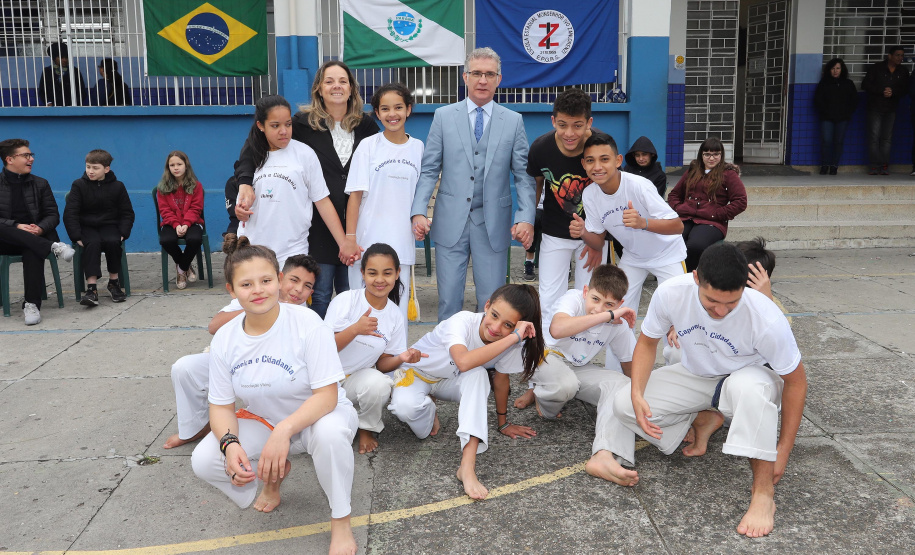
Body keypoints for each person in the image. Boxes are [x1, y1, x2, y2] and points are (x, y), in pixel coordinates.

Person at [613, 242, 807, 538]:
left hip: (749, 377)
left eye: (731, 303)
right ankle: (703, 417)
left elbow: (796, 382)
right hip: (699, 375)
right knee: (623, 404)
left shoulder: (766, 317)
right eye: (711, 301)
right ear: (695, 278)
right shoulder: (671, 293)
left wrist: (783, 449)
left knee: (749, 388)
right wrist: (637, 392)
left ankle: (763, 494)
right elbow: (647, 342)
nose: (720, 311)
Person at [191, 238, 358, 554]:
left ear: (279, 281)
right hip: (265, 419)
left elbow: (327, 396)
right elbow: (221, 406)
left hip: (320, 414)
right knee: (204, 459)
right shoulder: (226, 338)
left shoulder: (308, 324)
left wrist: (284, 431)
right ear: (231, 291)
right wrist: (230, 446)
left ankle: (341, 519)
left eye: (266, 280)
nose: (257, 290)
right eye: (246, 284)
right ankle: (267, 477)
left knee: (331, 436)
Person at [235, 62, 380, 318]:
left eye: (343, 81)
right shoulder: (300, 125)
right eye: (329, 81)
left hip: (358, 224)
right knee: (320, 294)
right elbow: (252, 149)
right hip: (319, 227)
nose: (336, 86)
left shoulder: (366, 127)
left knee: (351, 294)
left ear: (352, 88)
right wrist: (245, 182)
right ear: (319, 89)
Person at [411, 47, 537, 322]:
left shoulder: (513, 121)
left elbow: (523, 175)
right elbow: (430, 169)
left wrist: (526, 217)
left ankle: (488, 361)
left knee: (493, 303)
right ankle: (449, 359)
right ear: (465, 77)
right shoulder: (443, 117)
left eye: (489, 74)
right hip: (449, 222)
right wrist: (419, 210)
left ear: (499, 79)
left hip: (492, 223)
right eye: (477, 73)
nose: (483, 80)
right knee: (448, 301)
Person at [387, 284, 544, 500]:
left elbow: (501, 379)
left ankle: (467, 467)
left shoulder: (511, 343)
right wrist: (513, 337)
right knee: (406, 410)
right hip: (417, 374)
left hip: (451, 382)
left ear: (516, 326)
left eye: (507, 325)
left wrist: (503, 423)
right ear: (486, 305)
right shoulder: (462, 321)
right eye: (494, 315)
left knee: (479, 375)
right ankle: (428, 409)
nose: (496, 328)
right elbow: (462, 361)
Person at [164, 254, 319, 449]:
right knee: (184, 368)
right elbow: (214, 326)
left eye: (307, 285)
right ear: (279, 279)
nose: (298, 289)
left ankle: (281, 428)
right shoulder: (255, 293)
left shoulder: (306, 317)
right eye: (294, 280)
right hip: (237, 360)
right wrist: (255, 308)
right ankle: (195, 428)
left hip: (274, 368)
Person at [514, 265, 640, 486]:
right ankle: (543, 400)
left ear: (621, 304)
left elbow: (630, 363)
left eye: (609, 304)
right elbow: (557, 329)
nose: (598, 308)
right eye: (595, 299)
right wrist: (608, 315)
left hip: (578, 367)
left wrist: (637, 399)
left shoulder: (618, 323)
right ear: (584, 292)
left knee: (623, 386)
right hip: (547, 355)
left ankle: (604, 455)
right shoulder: (573, 299)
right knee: (564, 385)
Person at [572, 133, 686, 320]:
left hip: (668, 254)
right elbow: (598, 242)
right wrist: (583, 232)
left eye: (604, 159)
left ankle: (673, 348)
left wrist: (643, 223)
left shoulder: (639, 186)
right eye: (591, 161)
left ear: (618, 161)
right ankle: (623, 350)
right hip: (633, 256)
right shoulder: (590, 194)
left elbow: (677, 226)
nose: (598, 167)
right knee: (618, 313)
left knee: (674, 315)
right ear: (584, 164)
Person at [235, 95, 355, 270]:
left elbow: (322, 201)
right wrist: (241, 211)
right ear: (261, 126)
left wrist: (343, 243)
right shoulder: (251, 157)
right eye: (275, 126)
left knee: (292, 297)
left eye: (288, 124)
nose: (283, 131)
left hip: (293, 250)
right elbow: (242, 203)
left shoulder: (304, 154)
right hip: (254, 250)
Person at [524, 88, 606, 343]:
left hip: (590, 236)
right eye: (563, 125)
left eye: (577, 125)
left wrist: (597, 240)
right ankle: (550, 350)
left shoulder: (601, 146)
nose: (570, 133)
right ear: (553, 121)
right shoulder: (541, 148)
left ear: (589, 123)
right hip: (554, 231)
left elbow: (610, 194)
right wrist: (527, 221)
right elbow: (534, 186)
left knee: (589, 296)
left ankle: (581, 349)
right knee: (550, 296)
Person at [326, 243, 425, 454]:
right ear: (362, 273)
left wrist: (402, 357)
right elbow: (323, 349)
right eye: (372, 273)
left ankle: (366, 428)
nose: (380, 280)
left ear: (398, 273)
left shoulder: (394, 315)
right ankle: (339, 412)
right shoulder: (346, 301)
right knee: (326, 437)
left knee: (380, 383)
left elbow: (382, 365)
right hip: (324, 380)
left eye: (387, 273)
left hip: (354, 381)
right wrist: (354, 330)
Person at [344, 83, 423, 320]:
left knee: (395, 315)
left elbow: (422, 195)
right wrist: (350, 239)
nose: (392, 114)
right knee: (363, 314)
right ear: (377, 114)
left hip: (401, 243)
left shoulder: (418, 148)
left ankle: (394, 356)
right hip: (367, 242)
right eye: (385, 109)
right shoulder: (368, 146)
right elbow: (355, 197)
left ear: (408, 109)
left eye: (398, 107)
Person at [664, 236, 776, 367]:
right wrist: (680, 326)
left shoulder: (760, 300)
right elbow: (691, 308)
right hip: (711, 349)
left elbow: (779, 341)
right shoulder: (706, 285)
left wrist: (767, 300)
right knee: (676, 348)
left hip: (742, 361)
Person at [0, 138, 75, 325]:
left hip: (37, 237)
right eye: (26, 155)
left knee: (32, 249)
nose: (31, 159)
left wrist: (40, 228)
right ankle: (53, 247)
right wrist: (16, 225)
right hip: (6, 238)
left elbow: (52, 215)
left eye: (31, 155)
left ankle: (31, 305)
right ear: (10, 159)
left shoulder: (40, 183)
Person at [63, 149, 134, 306]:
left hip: (110, 226)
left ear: (106, 169)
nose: (90, 171)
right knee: (92, 244)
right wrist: (76, 236)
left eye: (95, 168)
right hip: (87, 228)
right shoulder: (79, 185)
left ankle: (113, 283)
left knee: (113, 242)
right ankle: (91, 289)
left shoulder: (118, 186)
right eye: (88, 167)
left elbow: (127, 212)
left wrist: (123, 232)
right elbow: (70, 213)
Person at [667, 137, 747, 272]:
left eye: (716, 154)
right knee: (672, 240)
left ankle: (683, 274)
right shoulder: (692, 171)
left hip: (711, 221)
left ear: (721, 155)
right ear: (701, 155)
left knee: (695, 245)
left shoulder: (728, 174)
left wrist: (718, 213)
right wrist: (680, 208)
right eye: (707, 154)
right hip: (686, 217)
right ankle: (668, 271)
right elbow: (674, 195)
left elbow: (740, 201)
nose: (711, 158)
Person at [157, 150, 204, 290]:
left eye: (179, 164)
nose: (176, 168)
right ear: (168, 168)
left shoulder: (196, 185)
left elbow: (196, 208)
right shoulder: (163, 187)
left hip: (193, 222)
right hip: (171, 223)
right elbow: (164, 210)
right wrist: (176, 224)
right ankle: (186, 265)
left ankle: (181, 269)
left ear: (186, 165)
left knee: (195, 239)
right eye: (172, 165)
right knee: (166, 240)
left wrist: (186, 223)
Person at [862, 45, 909, 175]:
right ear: (890, 56)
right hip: (875, 107)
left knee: (886, 138)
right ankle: (874, 165)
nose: (900, 58)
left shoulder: (903, 71)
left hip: (891, 108)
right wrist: (881, 91)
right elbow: (865, 84)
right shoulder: (877, 68)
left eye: (902, 55)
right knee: (874, 137)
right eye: (897, 55)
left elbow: (905, 89)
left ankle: (884, 165)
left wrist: (893, 92)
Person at [813, 58, 857, 175]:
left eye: (838, 68)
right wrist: (825, 112)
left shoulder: (848, 84)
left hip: (842, 119)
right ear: (829, 70)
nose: (835, 71)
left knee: (838, 142)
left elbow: (854, 101)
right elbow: (818, 100)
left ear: (842, 70)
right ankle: (824, 165)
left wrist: (847, 113)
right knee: (826, 141)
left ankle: (834, 166)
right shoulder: (824, 83)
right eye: (833, 68)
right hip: (827, 118)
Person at [37, 43, 86, 107]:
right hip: (53, 108)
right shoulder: (47, 71)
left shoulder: (75, 71)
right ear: (54, 58)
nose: (65, 60)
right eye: (61, 57)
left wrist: (75, 103)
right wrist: (48, 102)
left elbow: (81, 91)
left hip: (71, 108)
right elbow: (43, 90)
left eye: (66, 57)